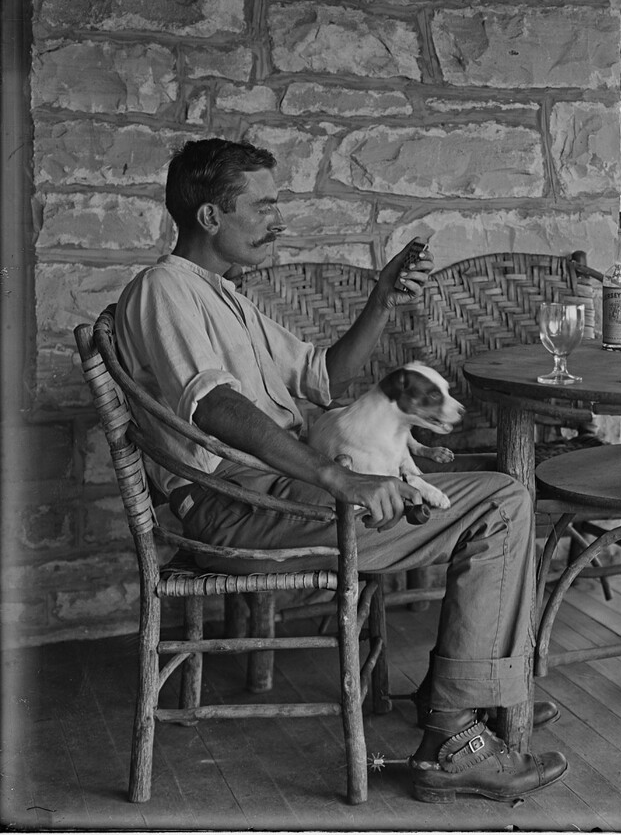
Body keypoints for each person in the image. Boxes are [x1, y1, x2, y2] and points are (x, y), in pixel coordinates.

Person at [114, 138, 567, 804]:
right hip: (242, 510)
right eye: (262, 206)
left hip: (275, 494)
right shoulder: (165, 289)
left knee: (500, 497)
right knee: (501, 504)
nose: (278, 219)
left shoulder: (226, 297)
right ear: (210, 217)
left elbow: (327, 376)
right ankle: (454, 734)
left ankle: (483, 698)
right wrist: (334, 478)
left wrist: (382, 295)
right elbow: (214, 406)